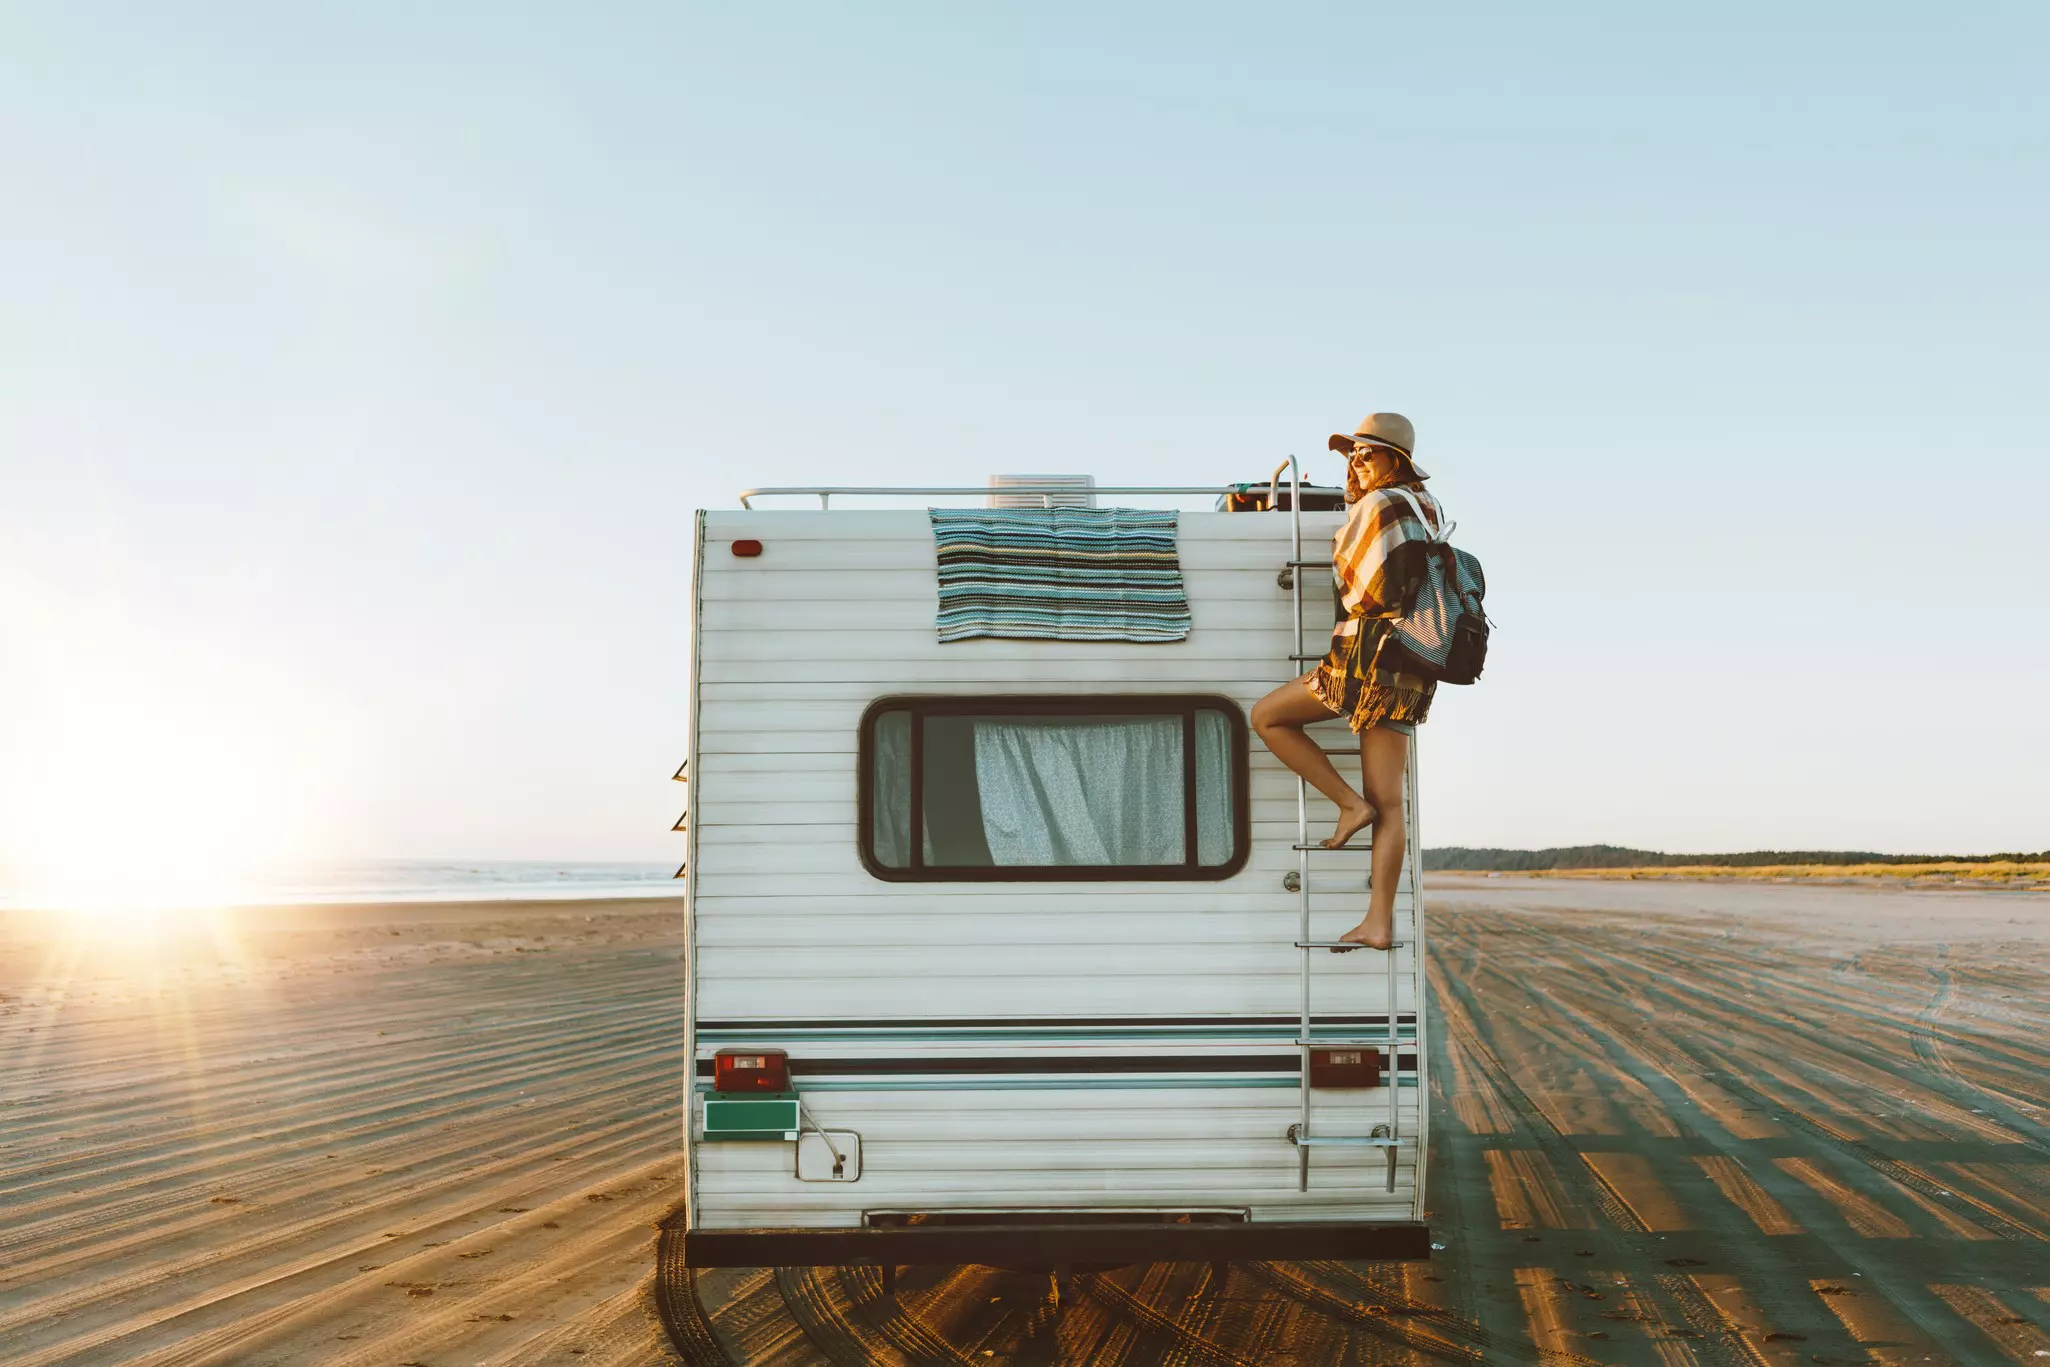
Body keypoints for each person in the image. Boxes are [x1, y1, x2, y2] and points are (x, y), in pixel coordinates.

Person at [1250, 413, 1446, 952]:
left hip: (1366, 660)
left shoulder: (1378, 506)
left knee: (1266, 716)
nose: (1356, 465)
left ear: (1395, 462)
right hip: (1412, 667)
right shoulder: (1428, 510)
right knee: (1392, 803)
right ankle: (1378, 922)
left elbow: (1362, 585)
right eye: (1352, 456)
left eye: (1367, 455)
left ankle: (1345, 804)